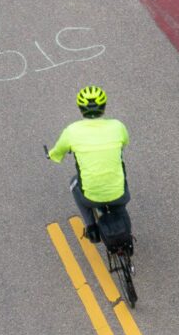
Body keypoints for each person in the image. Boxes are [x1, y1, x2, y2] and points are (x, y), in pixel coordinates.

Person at [48, 86, 130, 242]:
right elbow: (124, 142)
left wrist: (51, 155)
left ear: (80, 109)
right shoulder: (117, 126)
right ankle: (126, 237)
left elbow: (57, 153)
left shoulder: (71, 131)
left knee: (74, 183)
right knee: (120, 193)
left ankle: (91, 226)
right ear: (104, 107)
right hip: (119, 194)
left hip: (91, 196)